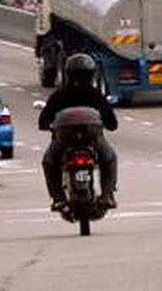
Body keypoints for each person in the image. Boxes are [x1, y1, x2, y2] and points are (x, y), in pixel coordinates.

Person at [39, 53, 118, 213]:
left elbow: (43, 121)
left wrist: (49, 126)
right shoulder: (95, 94)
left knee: (49, 162)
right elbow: (112, 123)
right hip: (92, 139)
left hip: (64, 140)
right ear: (91, 73)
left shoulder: (60, 94)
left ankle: (58, 198)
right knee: (109, 159)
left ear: (68, 73)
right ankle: (107, 195)